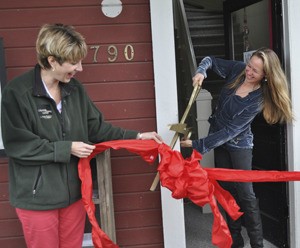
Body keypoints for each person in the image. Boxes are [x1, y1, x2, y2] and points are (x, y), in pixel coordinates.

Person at [1, 23, 163, 248]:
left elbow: (97, 128)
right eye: (73, 62)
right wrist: (67, 148)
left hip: (75, 194)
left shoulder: (74, 90)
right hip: (37, 199)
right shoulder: (17, 93)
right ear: (52, 61)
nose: (80, 68)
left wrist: (136, 136)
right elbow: (18, 146)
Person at [180, 48, 293, 248]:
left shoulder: (257, 99)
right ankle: (236, 239)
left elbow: (231, 131)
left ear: (265, 75)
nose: (248, 72)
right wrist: (201, 71)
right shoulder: (239, 70)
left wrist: (198, 145)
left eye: (255, 71)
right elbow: (211, 59)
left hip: (239, 145)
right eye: (250, 66)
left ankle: (257, 244)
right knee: (226, 190)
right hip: (219, 140)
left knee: (245, 193)